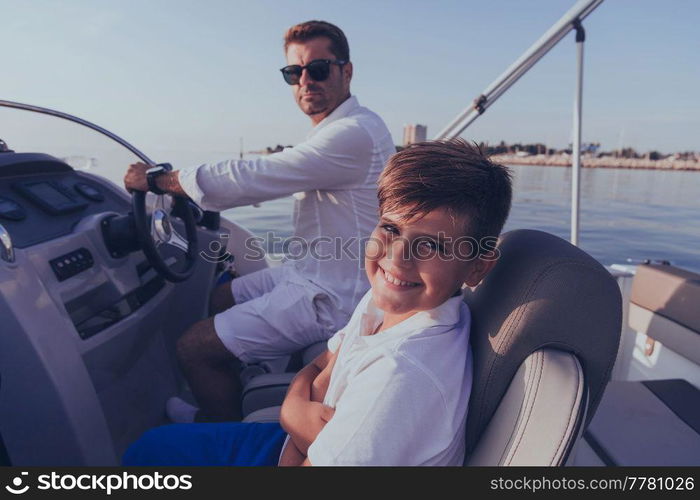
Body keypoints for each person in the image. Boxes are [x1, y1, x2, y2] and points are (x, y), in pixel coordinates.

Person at [122, 138, 513, 466]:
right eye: (390, 228)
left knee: (145, 460)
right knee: (151, 446)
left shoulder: (402, 376)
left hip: (296, 456)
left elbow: (255, 176)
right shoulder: (388, 303)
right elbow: (327, 359)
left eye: (430, 244)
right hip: (294, 439)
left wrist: (299, 427)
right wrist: (295, 411)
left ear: (477, 268)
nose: (396, 258)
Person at [123, 21, 395, 422]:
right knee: (218, 298)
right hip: (310, 271)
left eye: (318, 69)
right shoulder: (336, 129)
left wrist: (159, 180)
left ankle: (221, 431)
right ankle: (232, 386)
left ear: (346, 71)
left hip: (335, 296)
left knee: (192, 347)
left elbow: (257, 175)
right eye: (293, 72)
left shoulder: (354, 132)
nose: (305, 81)